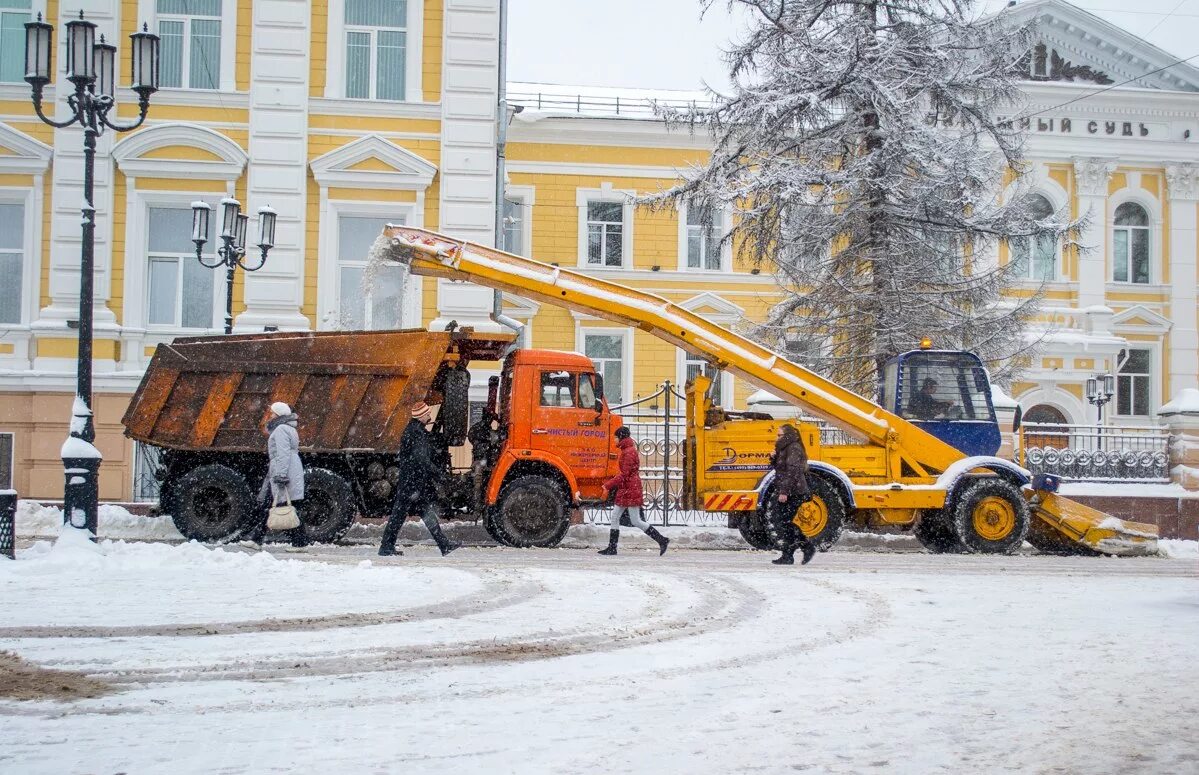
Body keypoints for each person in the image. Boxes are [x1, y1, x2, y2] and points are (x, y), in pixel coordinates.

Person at [379, 401, 462, 557]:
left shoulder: (415, 430)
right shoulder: (416, 432)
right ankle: (386, 547)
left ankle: (444, 545)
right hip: (412, 482)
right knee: (399, 515)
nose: (429, 416)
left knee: (421, 512)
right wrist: (439, 476)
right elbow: (421, 459)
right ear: (422, 415)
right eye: (428, 413)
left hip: (412, 481)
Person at [597, 426, 669, 556]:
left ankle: (662, 540)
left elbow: (625, 474)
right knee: (615, 517)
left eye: (616, 437)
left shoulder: (629, 452)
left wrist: (608, 485)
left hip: (630, 488)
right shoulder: (627, 450)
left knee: (636, 521)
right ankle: (612, 548)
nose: (614, 440)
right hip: (627, 488)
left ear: (621, 437)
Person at [247, 401, 309, 548]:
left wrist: (280, 475)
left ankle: (299, 544)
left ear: (279, 414)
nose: (271, 415)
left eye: (273, 413)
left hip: (283, 472)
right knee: (278, 505)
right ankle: (256, 539)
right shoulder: (288, 428)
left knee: (286, 506)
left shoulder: (281, 429)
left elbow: (283, 454)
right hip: (288, 470)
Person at [769, 424, 816, 566]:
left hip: (794, 492)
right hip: (791, 491)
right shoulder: (785, 448)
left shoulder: (793, 448)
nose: (777, 438)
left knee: (785, 522)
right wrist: (773, 458)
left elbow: (792, 472)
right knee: (784, 522)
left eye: (779, 435)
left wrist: (784, 492)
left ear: (787, 436)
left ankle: (802, 549)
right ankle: (798, 550)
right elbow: (781, 469)